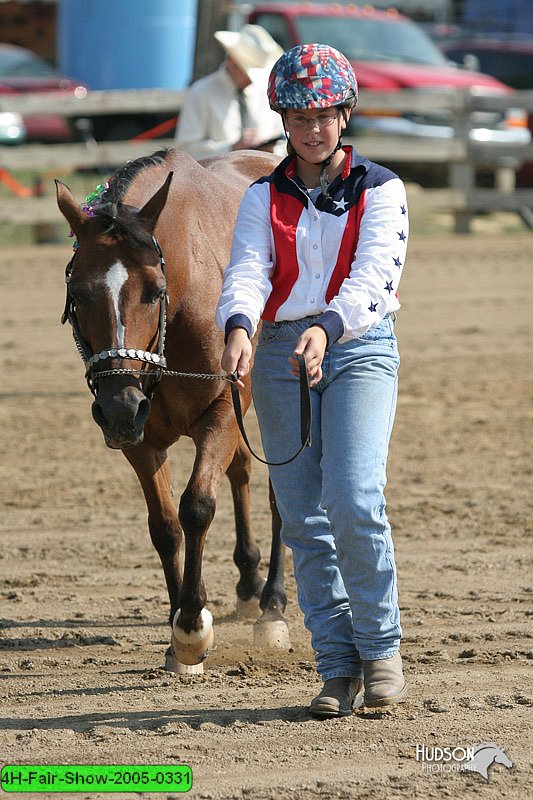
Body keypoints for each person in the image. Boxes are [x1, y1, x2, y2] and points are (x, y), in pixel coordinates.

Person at [216, 43, 409, 718]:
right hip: (275, 354)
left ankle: (380, 652)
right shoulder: (260, 196)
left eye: (324, 114)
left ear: (344, 114)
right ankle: (335, 667)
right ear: (283, 122)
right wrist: (238, 325)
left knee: (353, 497)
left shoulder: (380, 188)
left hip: (356, 347)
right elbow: (247, 269)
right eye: (298, 116)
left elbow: (375, 277)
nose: (312, 128)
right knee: (303, 519)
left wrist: (326, 326)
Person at [175, 24, 285, 160]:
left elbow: (283, 141)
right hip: (216, 179)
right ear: (232, 60)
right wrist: (231, 149)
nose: (251, 80)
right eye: (247, 73)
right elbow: (185, 151)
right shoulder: (201, 93)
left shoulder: (265, 91)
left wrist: (271, 150)